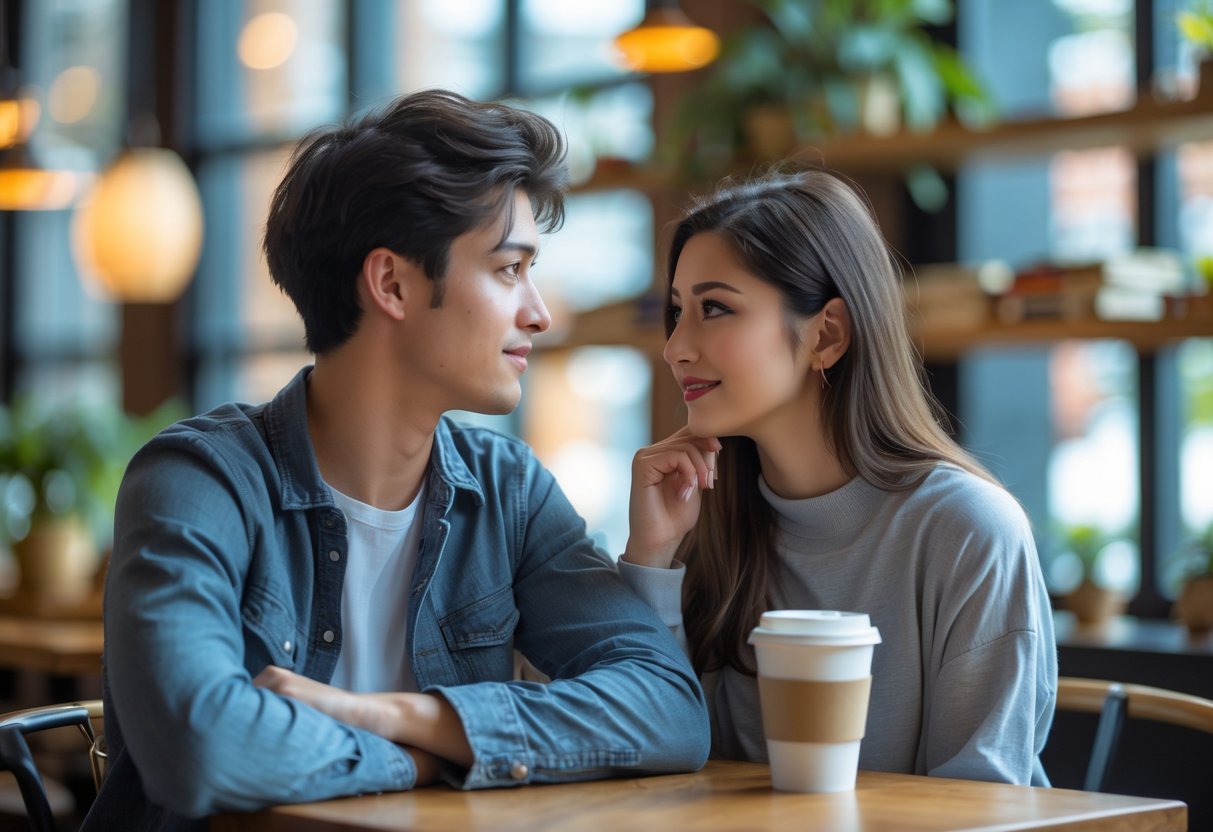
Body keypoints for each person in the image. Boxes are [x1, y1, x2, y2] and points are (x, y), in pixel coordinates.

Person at [84, 90, 708, 831]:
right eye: (509, 270)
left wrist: (382, 714)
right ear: (391, 284)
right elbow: (197, 749)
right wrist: (424, 756)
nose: (539, 312)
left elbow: (668, 711)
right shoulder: (198, 481)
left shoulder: (509, 493)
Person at [618, 168, 1057, 786]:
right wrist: (651, 561)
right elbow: (649, 756)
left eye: (714, 308)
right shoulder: (698, 521)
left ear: (827, 334)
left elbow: (980, 798)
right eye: (676, 311)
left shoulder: (969, 531)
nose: (675, 347)